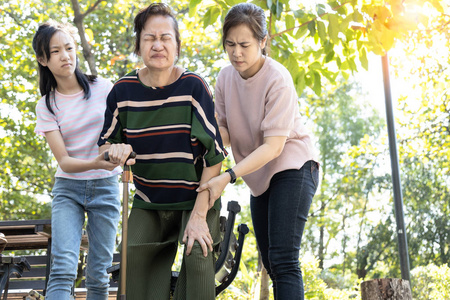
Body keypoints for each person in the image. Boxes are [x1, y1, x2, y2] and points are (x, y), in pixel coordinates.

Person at [97, 3, 227, 299]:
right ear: (138, 45)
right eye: (149, 38)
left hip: (196, 197)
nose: (158, 45)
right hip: (148, 200)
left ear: (177, 45)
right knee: (131, 261)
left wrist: (199, 214)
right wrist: (114, 151)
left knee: (198, 254)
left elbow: (215, 157)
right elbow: (104, 148)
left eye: (165, 38)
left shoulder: (193, 87)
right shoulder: (122, 91)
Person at [196, 3, 320, 299]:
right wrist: (198, 142)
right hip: (258, 176)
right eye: (230, 44)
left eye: (244, 45)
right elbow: (222, 131)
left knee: (284, 260)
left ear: (263, 42)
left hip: (293, 166)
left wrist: (227, 176)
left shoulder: (278, 78)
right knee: (272, 264)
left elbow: (274, 146)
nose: (236, 52)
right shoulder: (225, 77)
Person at [33, 21, 121, 300]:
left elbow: (120, 134)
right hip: (68, 189)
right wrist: (96, 162)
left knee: (99, 273)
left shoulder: (104, 88)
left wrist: (115, 154)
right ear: (43, 59)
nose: (65, 56)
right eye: (55, 51)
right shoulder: (47, 104)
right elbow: (65, 161)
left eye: (69, 48)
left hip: (106, 187)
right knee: (62, 270)